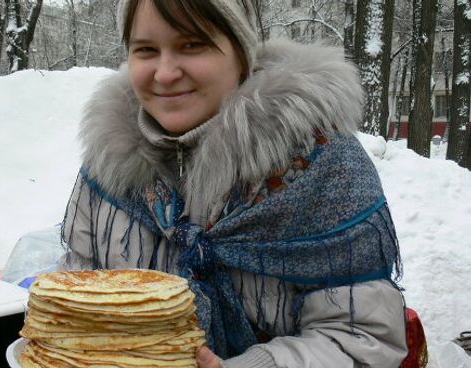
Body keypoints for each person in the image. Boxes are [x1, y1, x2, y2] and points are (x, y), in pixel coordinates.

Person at [58, 0, 408, 367]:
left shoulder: (320, 161)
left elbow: (362, 338)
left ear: (240, 52)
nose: (164, 73)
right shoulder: (108, 166)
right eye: (146, 50)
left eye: (192, 44)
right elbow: (79, 296)